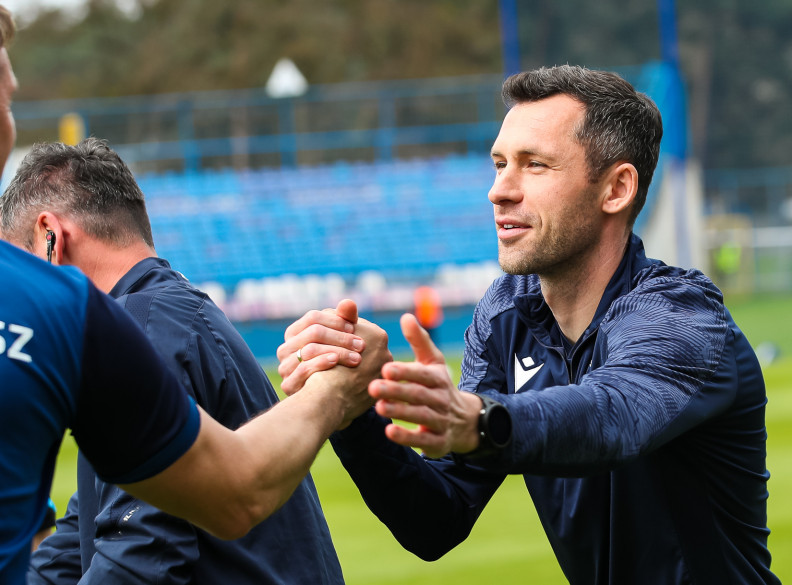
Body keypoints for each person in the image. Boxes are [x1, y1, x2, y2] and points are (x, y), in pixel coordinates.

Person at [0, 1, 385, 583]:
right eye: (9, 102)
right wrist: (334, 391)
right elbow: (235, 491)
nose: (12, 124)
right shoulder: (53, 302)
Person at [276, 65, 779, 584]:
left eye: (535, 165)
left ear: (616, 189)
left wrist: (479, 420)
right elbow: (436, 520)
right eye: (499, 164)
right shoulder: (504, 315)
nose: (499, 191)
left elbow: (612, 416)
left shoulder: (681, 314)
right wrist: (357, 409)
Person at [0, 138, 348, 584]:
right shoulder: (160, 316)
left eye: (15, 269)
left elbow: (140, 557)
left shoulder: (138, 328)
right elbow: (84, 530)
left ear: (51, 238)